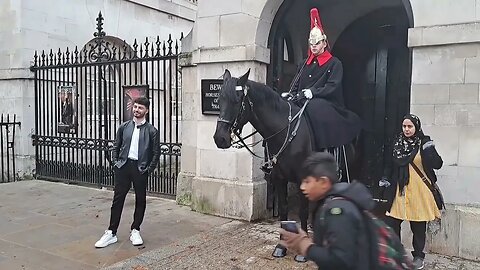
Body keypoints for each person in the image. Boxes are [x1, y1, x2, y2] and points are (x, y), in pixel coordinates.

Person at [282, 8, 361, 151]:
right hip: (302, 99)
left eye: (317, 43)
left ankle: (321, 147)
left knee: (315, 107)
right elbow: (296, 82)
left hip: (326, 101)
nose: (314, 47)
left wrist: (313, 92)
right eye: (311, 44)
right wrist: (290, 94)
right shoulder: (304, 63)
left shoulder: (334, 63)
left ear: (324, 43)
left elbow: (333, 86)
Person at [279, 152, 374, 270]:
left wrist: (305, 246)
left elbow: (340, 260)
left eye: (307, 181)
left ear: (324, 182)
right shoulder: (328, 202)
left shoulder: (339, 211)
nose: (302, 187)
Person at [95, 97, 160, 248]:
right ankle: (111, 232)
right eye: (135, 107)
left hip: (140, 168)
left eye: (140, 108)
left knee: (140, 200)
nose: (137, 110)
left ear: (146, 111)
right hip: (123, 167)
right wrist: (116, 163)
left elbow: (156, 153)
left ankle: (135, 230)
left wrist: (148, 169)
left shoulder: (152, 131)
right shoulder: (124, 127)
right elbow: (116, 146)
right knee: (117, 200)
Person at [382, 114, 443, 270]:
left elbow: (438, 164)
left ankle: (418, 256)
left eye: (410, 126)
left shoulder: (424, 142)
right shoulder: (397, 143)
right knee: (394, 222)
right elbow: (389, 164)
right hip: (400, 189)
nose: (407, 129)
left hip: (419, 190)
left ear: (416, 127)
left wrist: (429, 150)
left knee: (418, 224)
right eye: (404, 126)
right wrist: (385, 178)